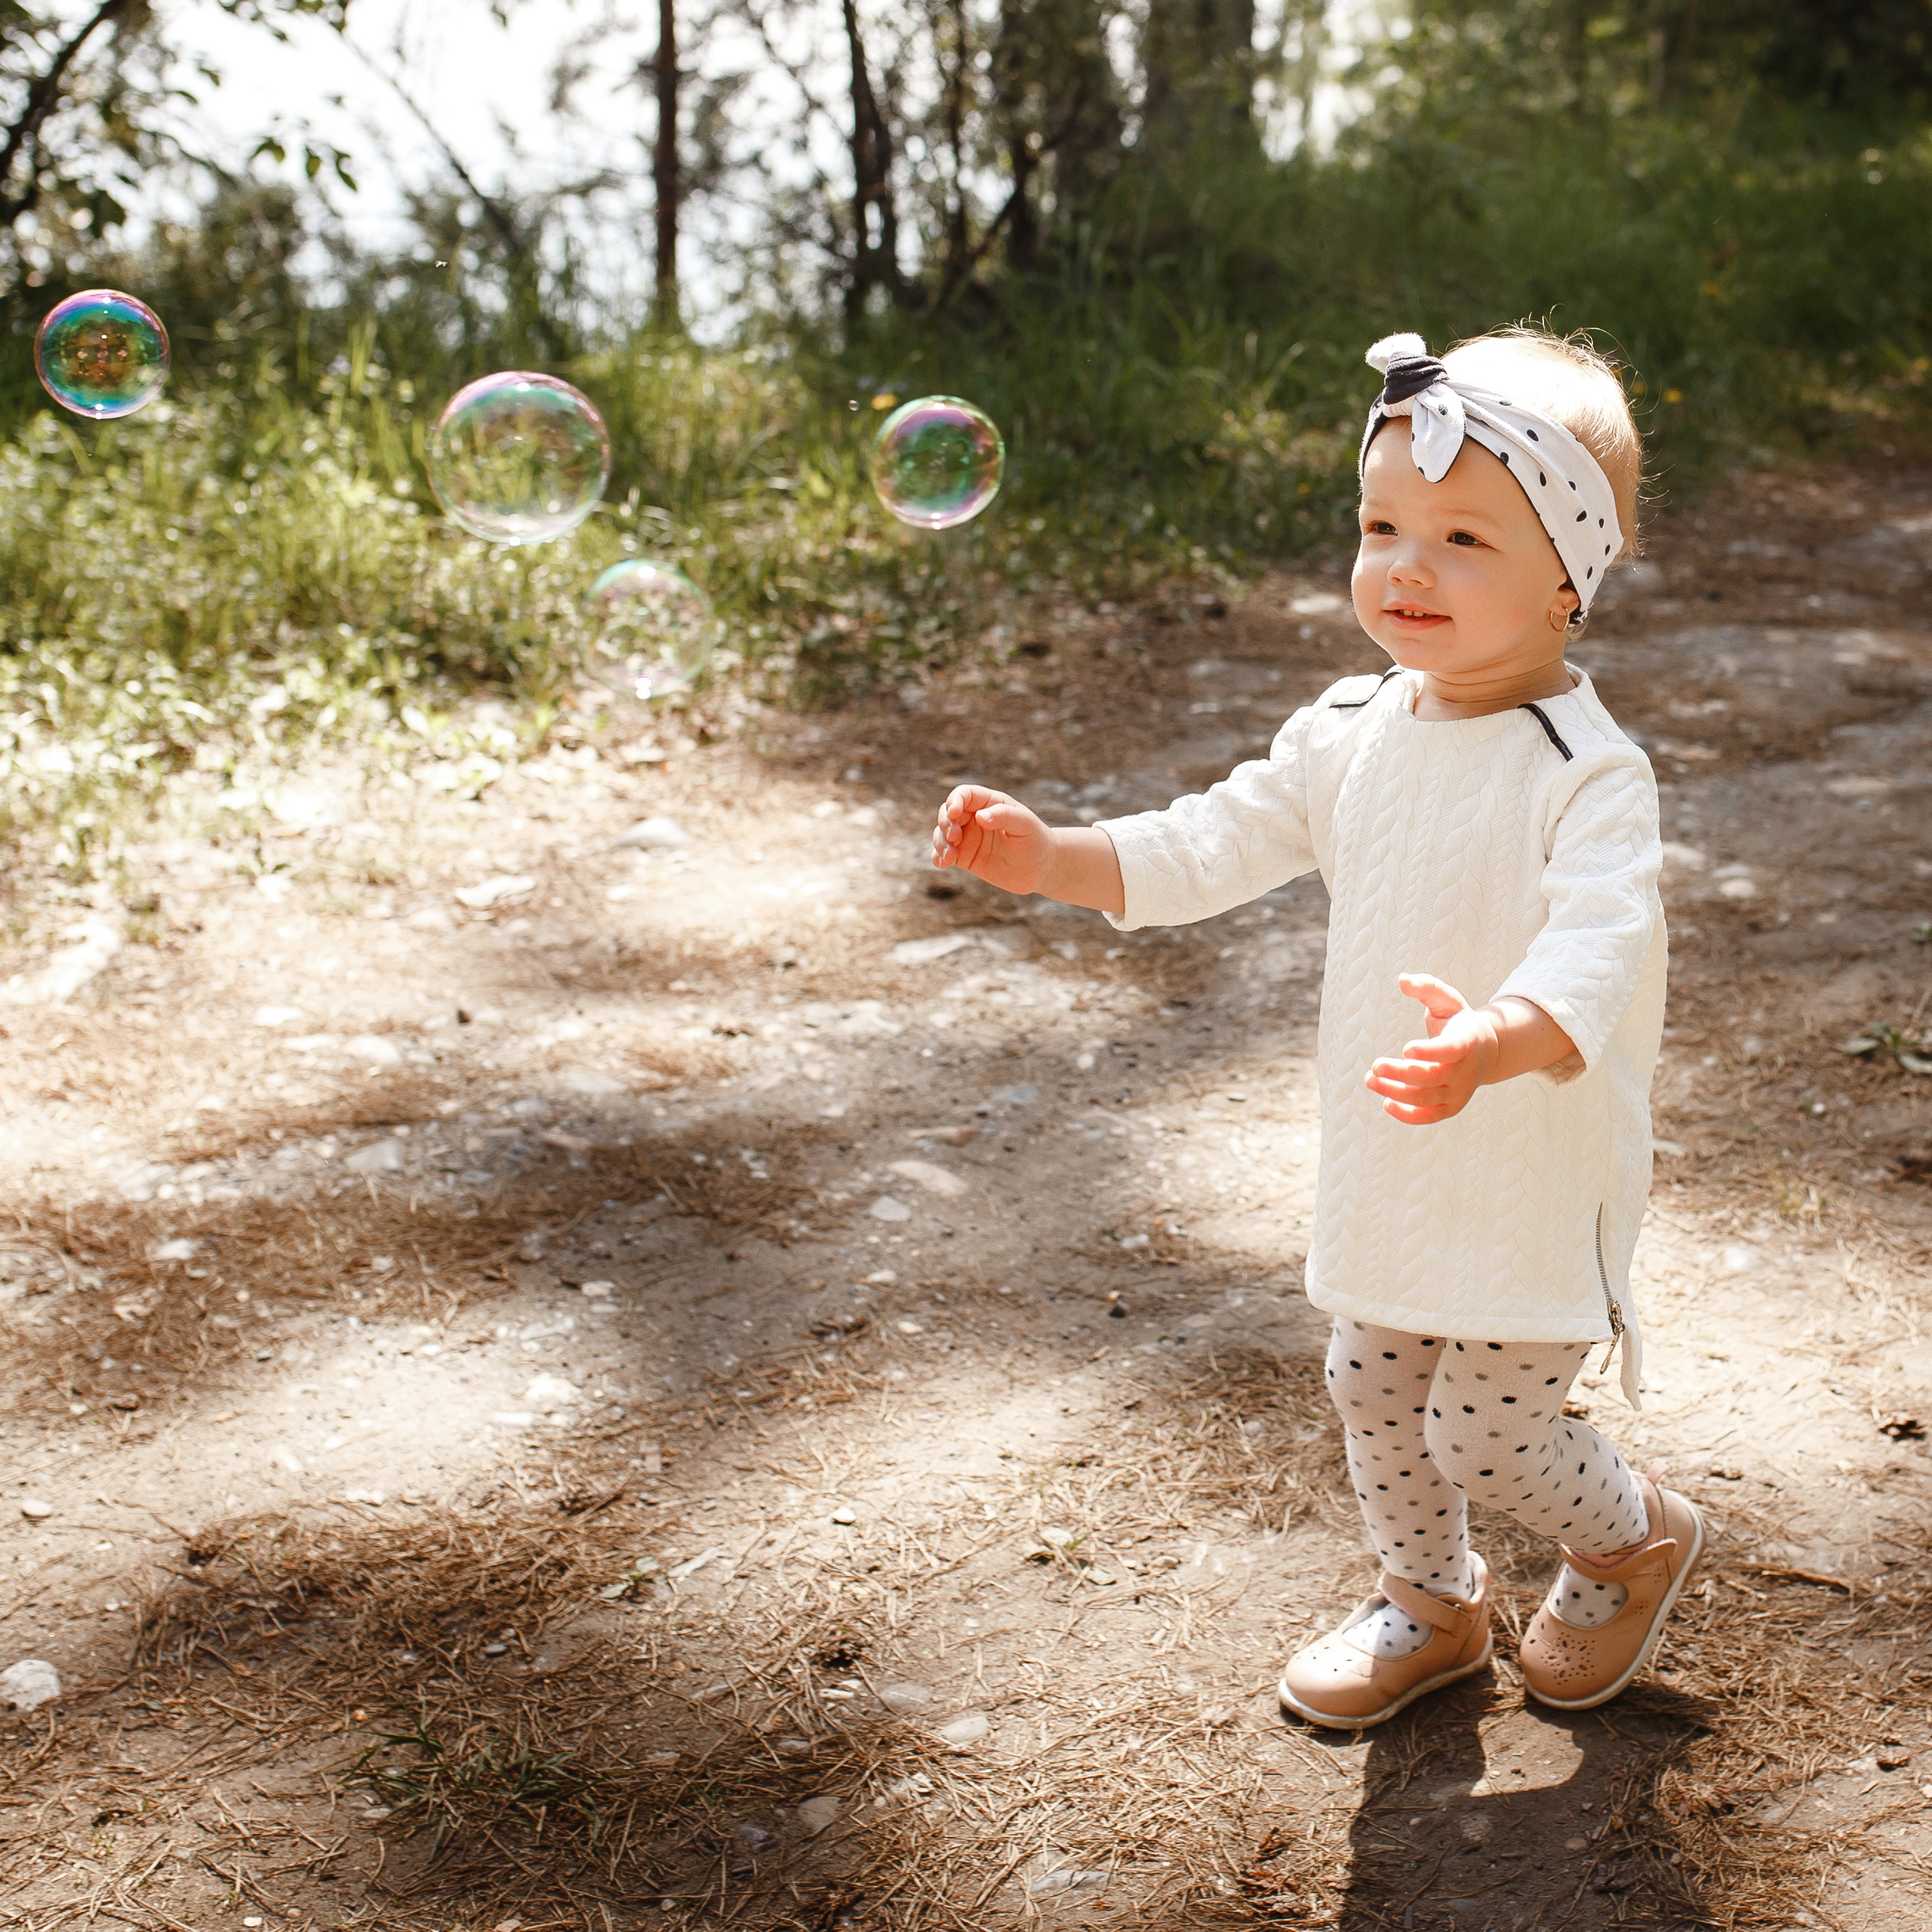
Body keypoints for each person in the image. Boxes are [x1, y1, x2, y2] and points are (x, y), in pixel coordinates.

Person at [928, 328, 1703, 1729]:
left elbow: (1601, 942)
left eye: (1463, 538)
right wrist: (1054, 858)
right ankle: (1432, 1601)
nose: (1407, 566)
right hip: (1396, 1156)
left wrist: (1497, 1038)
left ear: (1570, 579)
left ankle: (1628, 1537)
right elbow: (1205, 842)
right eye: (1381, 526)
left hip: (1529, 1167)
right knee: (1373, 1388)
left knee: (1487, 1429)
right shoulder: (1350, 726)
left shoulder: (1588, 771)